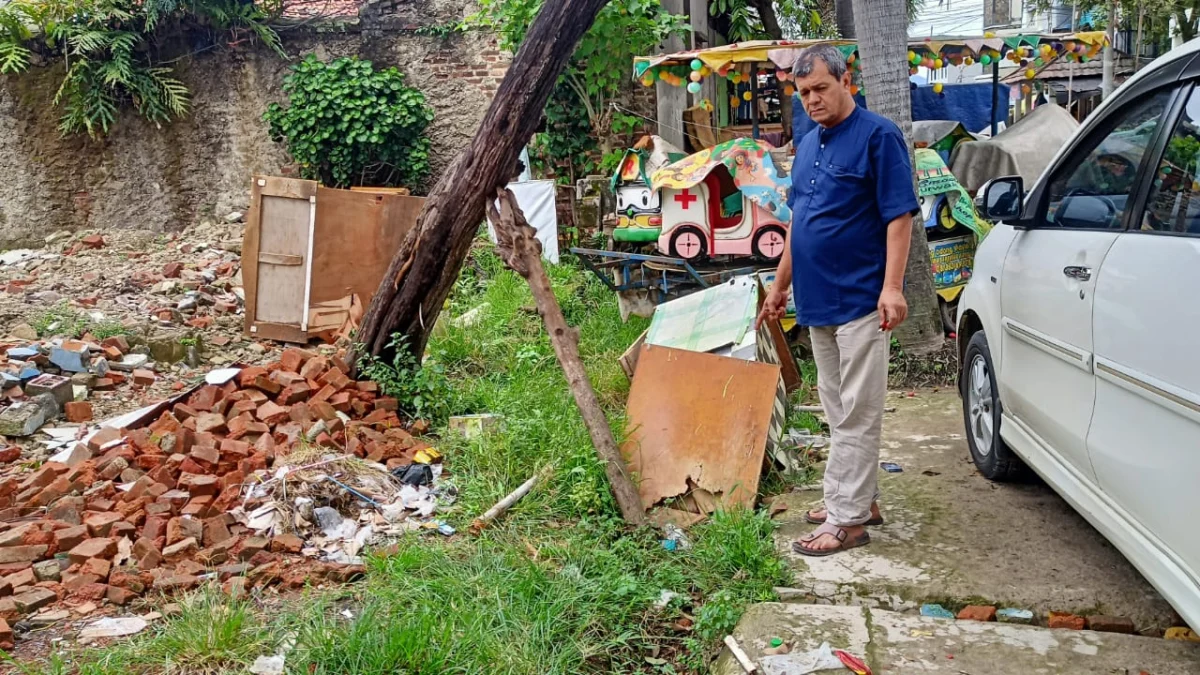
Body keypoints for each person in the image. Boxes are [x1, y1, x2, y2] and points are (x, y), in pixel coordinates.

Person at [755, 44, 919, 557]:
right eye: (803, 93)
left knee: (857, 411)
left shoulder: (879, 136)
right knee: (835, 405)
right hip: (816, 299)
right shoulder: (807, 143)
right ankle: (859, 498)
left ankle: (847, 520)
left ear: (846, 81)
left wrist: (892, 287)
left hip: (861, 298)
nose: (812, 100)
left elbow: (899, 216)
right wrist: (781, 286)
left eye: (821, 88)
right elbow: (798, 223)